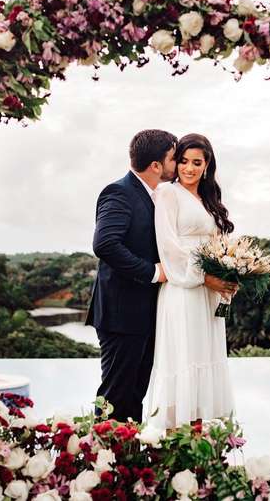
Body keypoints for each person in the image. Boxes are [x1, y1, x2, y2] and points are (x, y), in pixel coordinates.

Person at [144, 133, 238, 430]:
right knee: (184, 357)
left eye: (196, 162)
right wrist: (203, 277)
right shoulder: (168, 194)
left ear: (207, 164)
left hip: (210, 294)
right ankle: (176, 434)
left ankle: (200, 434)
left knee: (205, 356)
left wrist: (229, 272)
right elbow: (168, 246)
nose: (188, 168)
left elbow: (219, 243)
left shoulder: (210, 199)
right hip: (184, 289)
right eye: (183, 161)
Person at [85, 129, 177, 422]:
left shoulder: (154, 196)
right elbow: (105, 244)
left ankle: (128, 460)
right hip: (121, 314)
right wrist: (152, 272)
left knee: (134, 394)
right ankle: (102, 459)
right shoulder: (120, 192)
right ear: (156, 166)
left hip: (142, 315)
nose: (178, 165)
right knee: (115, 396)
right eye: (174, 158)